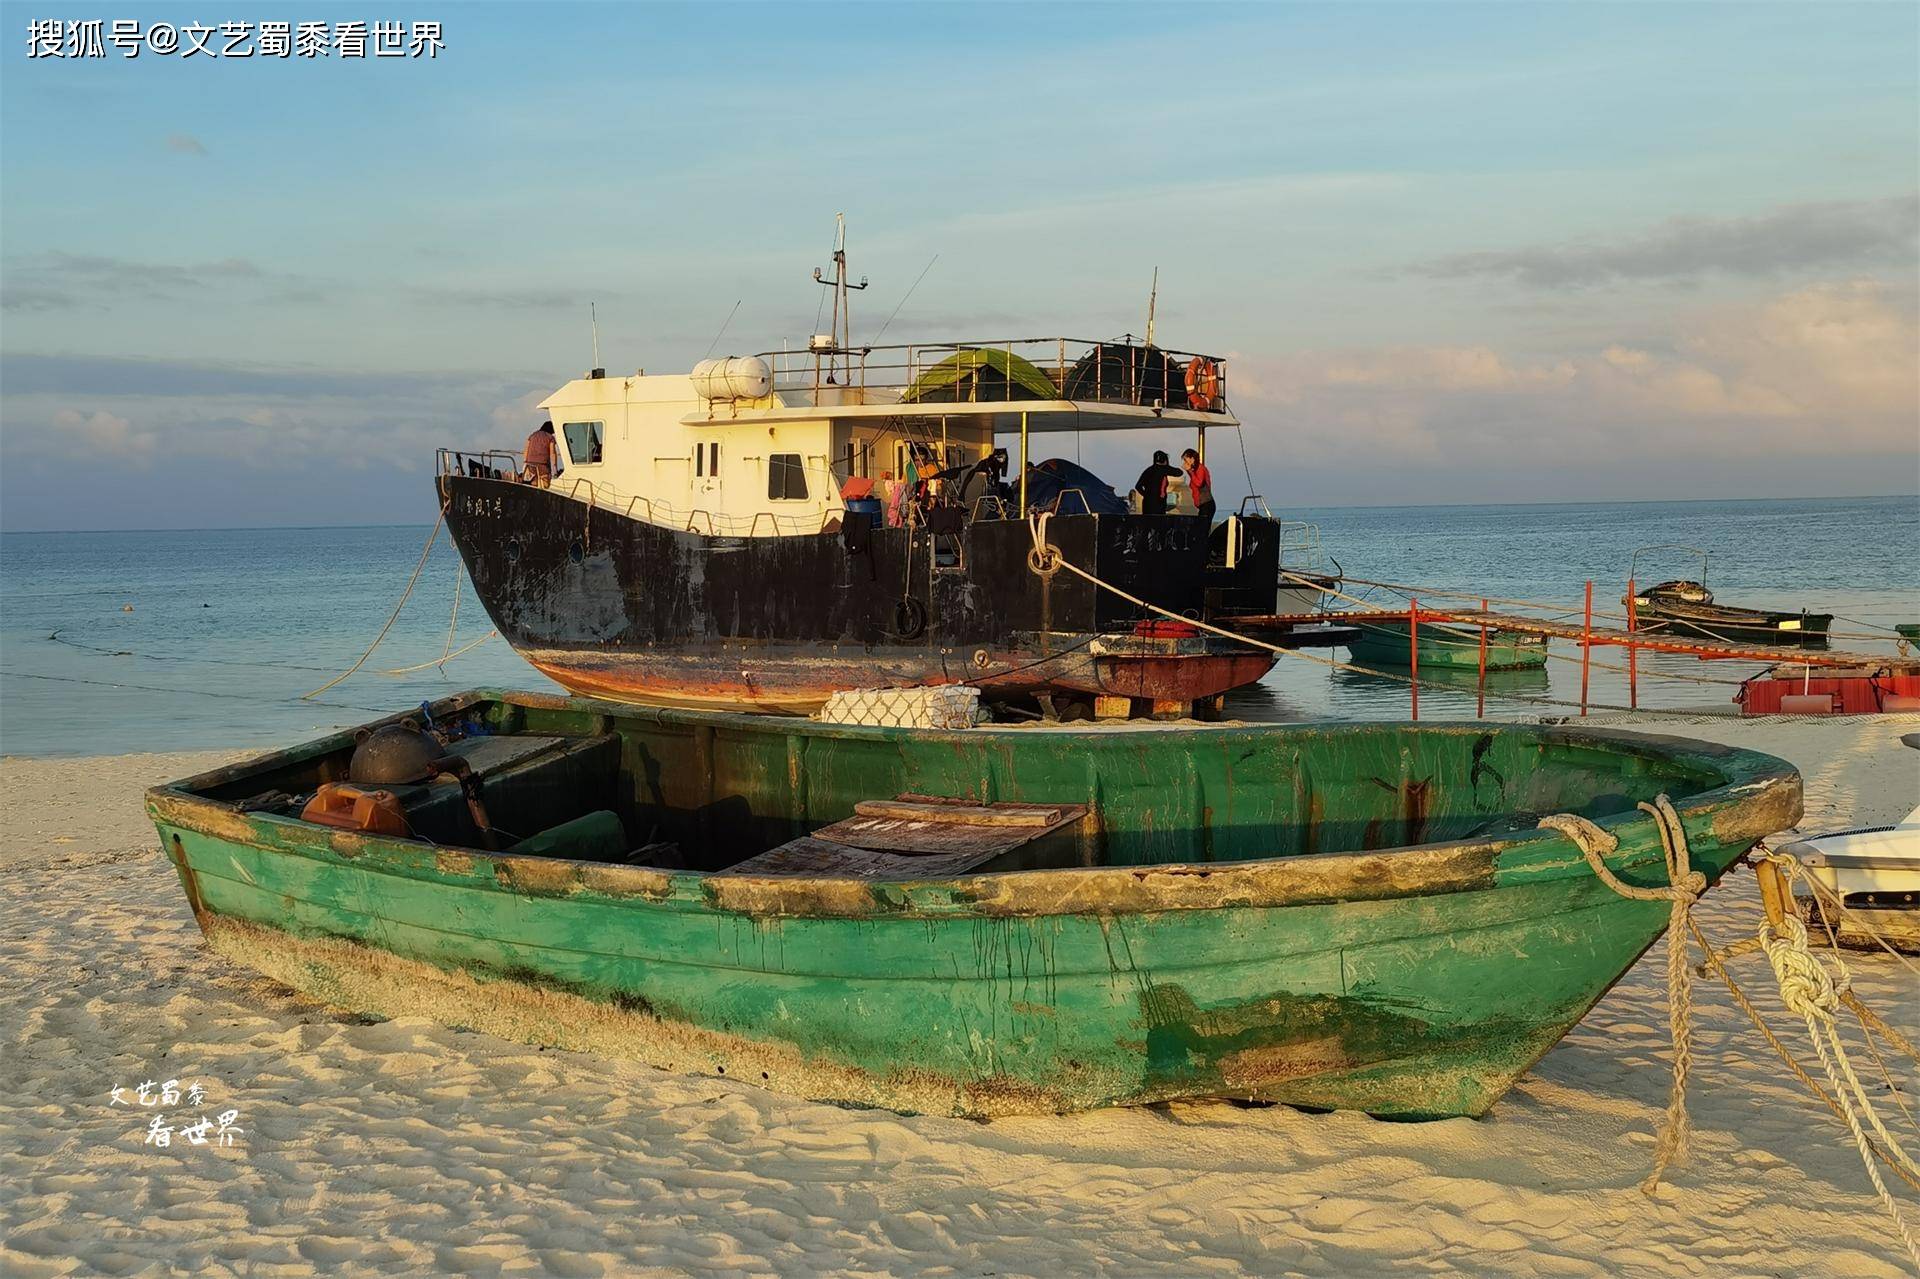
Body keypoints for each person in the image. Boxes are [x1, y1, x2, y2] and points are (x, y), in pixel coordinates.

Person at [1132, 450, 1183, 516]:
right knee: (1159, 523)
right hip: (1159, 503)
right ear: (1165, 460)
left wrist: (1147, 495)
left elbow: (1138, 486)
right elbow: (1179, 472)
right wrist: (1167, 466)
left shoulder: (1148, 470)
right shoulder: (1164, 469)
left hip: (1147, 504)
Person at [1182, 448, 1215, 524]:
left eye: (1185, 460)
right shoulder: (1195, 470)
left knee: (1201, 529)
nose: (1185, 463)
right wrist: (1189, 471)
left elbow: (1198, 483)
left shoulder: (1200, 468)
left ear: (1192, 459)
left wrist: (1189, 470)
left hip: (1207, 504)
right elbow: (1195, 481)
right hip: (1203, 505)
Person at [523, 421, 557, 487]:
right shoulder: (550, 437)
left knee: (534, 483)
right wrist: (554, 469)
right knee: (546, 484)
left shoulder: (532, 435)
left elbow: (526, 450)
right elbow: (552, 453)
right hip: (543, 464)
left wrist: (525, 463)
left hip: (530, 464)